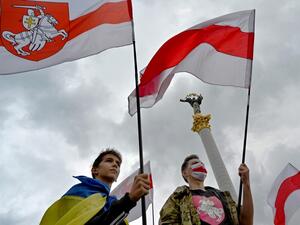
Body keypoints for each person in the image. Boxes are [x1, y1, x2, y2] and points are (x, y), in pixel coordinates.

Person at [40, 148, 150, 225]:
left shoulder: (112, 203)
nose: (115, 164)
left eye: (118, 163)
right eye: (109, 161)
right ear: (95, 170)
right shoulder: (80, 192)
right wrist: (129, 200)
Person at [159, 154, 253, 225]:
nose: (200, 165)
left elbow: (246, 221)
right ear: (184, 172)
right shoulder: (179, 197)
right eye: (195, 164)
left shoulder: (223, 196)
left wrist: (246, 184)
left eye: (202, 164)